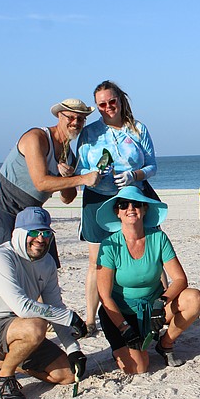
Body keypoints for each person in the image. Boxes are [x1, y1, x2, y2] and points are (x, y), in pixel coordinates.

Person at [0, 207, 88, 399]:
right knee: (36, 326)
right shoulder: (0, 258)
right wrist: (69, 318)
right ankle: (4, 378)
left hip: (17, 331)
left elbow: (56, 306)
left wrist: (73, 349)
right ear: (19, 233)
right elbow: (23, 307)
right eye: (34, 232)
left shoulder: (47, 262)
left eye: (46, 233)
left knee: (67, 375)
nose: (40, 239)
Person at [77, 81, 158, 335]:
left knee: (149, 250)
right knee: (96, 260)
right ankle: (90, 319)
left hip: (132, 195)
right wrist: (92, 175)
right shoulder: (89, 133)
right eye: (102, 104)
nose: (108, 107)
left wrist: (134, 175)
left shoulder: (138, 129)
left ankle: (161, 305)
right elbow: (79, 169)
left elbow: (152, 165)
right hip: (97, 198)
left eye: (112, 101)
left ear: (121, 100)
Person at [96, 186, 200, 375]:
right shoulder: (109, 246)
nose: (130, 208)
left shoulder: (158, 238)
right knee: (138, 368)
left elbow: (180, 279)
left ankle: (165, 344)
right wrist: (124, 328)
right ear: (117, 212)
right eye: (124, 205)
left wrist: (160, 302)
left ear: (144, 209)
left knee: (194, 298)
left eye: (136, 204)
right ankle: (122, 348)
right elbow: (105, 296)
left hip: (153, 308)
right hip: (120, 314)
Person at [0, 99, 101, 263]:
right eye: (70, 117)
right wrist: (83, 179)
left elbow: (67, 198)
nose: (75, 122)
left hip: (32, 210)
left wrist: (67, 177)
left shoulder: (69, 155)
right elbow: (41, 183)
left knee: (47, 262)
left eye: (81, 119)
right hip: (5, 206)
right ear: (59, 116)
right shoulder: (37, 137)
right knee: (2, 258)